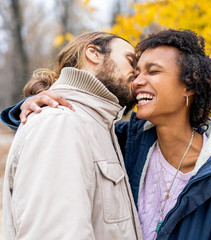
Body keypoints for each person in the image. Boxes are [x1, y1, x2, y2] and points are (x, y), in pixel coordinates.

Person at [2, 29, 211, 239]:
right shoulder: (128, 142)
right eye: (135, 69)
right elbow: (60, 143)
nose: (137, 81)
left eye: (152, 71)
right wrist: (37, 102)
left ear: (189, 85)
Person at [1, 31, 143, 239]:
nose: (138, 75)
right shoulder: (61, 124)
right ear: (93, 53)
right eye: (131, 62)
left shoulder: (98, 127)